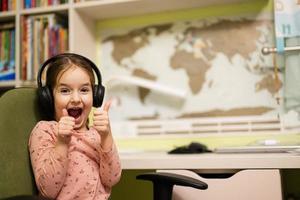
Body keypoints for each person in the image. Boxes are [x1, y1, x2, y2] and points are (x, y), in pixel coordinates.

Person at [28, 53, 122, 200]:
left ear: (96, 95)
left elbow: (111, 179)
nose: (76, 99)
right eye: (65, 91)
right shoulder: (45, 130)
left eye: (84, 90)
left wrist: (106, 137)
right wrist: (62, 142)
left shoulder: (98, 134)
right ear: (49, 97)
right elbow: (48, 190)